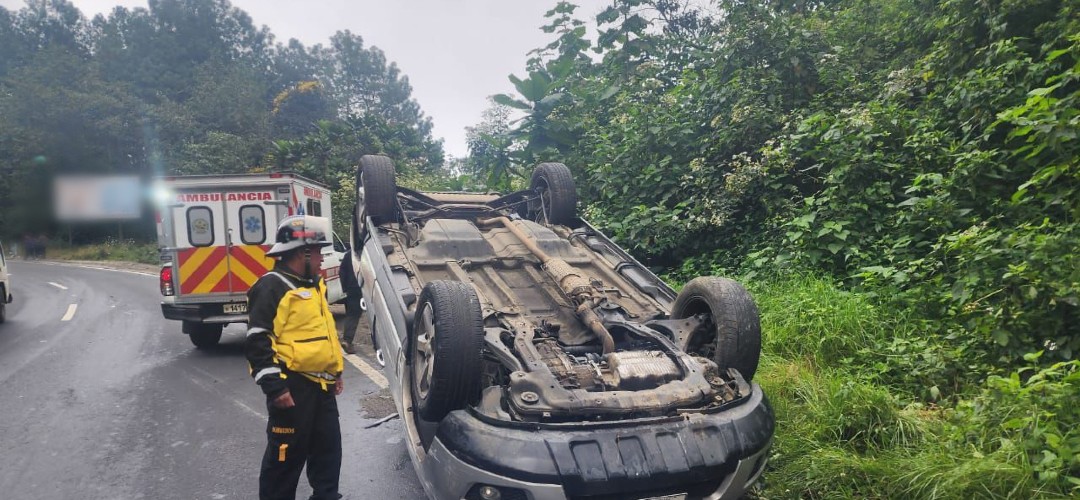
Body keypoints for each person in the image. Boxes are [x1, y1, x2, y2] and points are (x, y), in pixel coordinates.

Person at [245, 215, 345, 500]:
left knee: (328, 453)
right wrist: (275, 388)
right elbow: (257, 341)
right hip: (292, 388)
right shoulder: (271, 286)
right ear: (303, 253)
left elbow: (323, 332)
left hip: (322, 387)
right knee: (284, 459)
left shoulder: (314, 285)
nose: (322, 259)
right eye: (318, 252)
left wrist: (335, 371)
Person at [338, 243, 364, 355]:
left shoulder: (348, 255)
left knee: (351, 314)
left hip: (351, 289)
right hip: (362, 289)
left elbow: (341, 271)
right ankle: (348, 341)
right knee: (355, 315)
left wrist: (345, 287)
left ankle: (347, 340)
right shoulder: (365, 256)